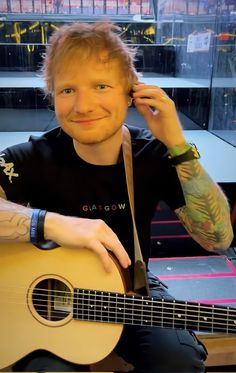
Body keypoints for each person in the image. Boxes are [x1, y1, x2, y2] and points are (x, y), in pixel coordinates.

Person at [0, 21, 233, 373]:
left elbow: (218, 238)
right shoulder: (30, 158)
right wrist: (49, 224)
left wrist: (179, 146)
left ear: (131, 93)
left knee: (178, 360)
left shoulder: (153, 156)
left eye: (101, 86)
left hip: (132, 292)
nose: (82, 105)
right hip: (48, 302)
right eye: (67, 90)